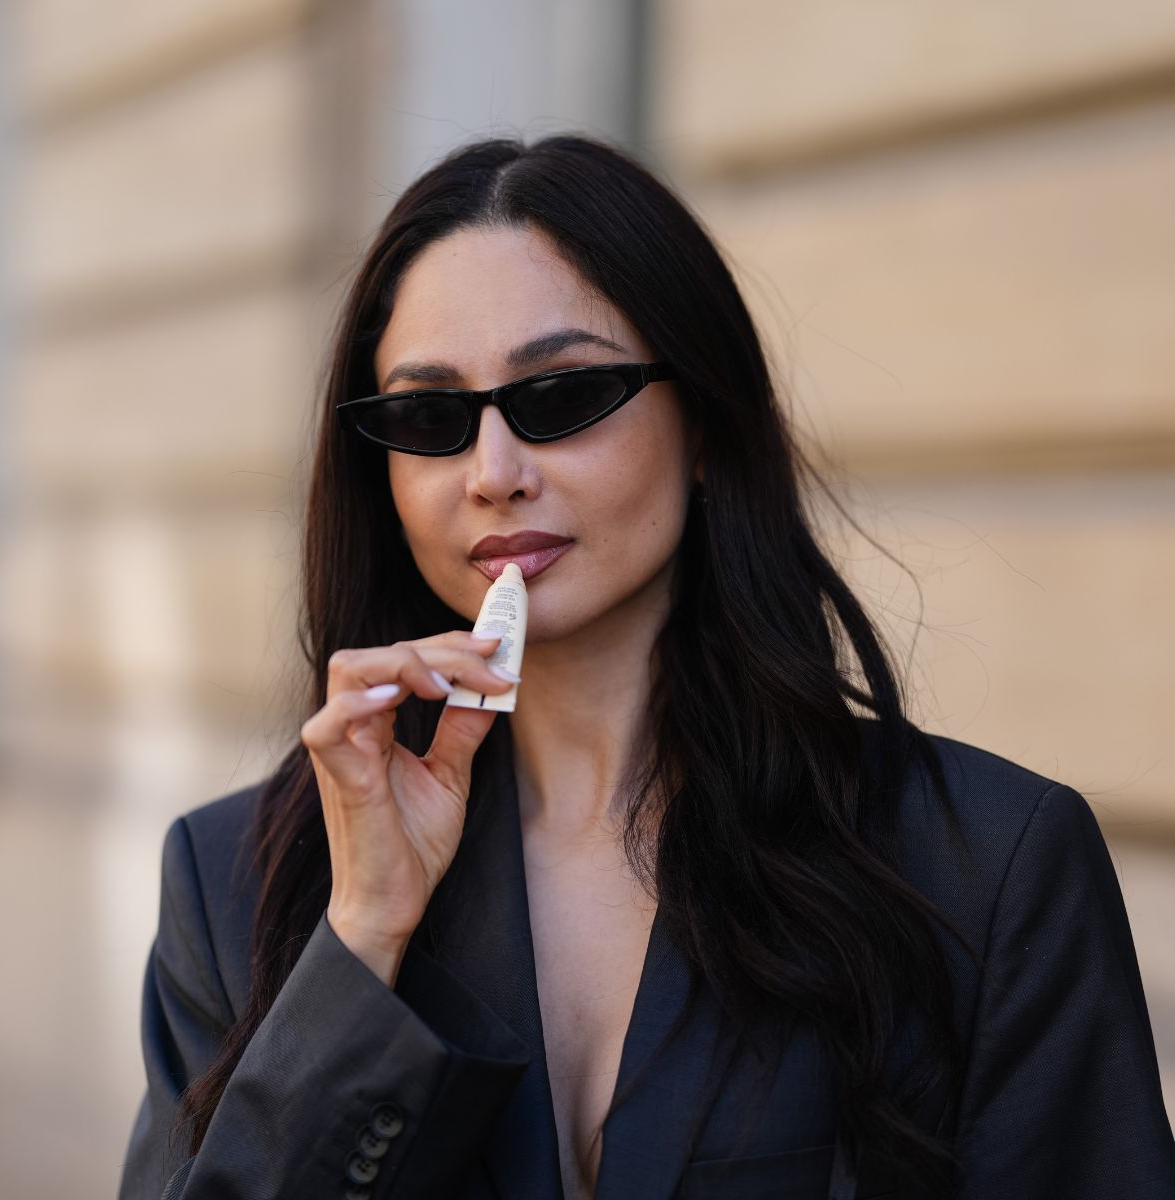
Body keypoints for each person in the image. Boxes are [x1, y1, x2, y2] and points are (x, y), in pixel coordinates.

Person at [117, 133, 1175, 1200]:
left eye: (564, 393)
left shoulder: (981, 867)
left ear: (708, 421)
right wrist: (362, 940)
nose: (494, 473)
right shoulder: (239, 883)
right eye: (430, 417)